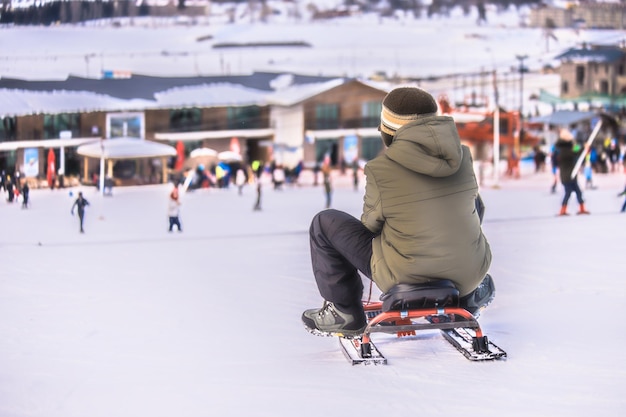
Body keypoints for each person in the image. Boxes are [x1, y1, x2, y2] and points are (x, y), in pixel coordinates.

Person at [302, 87, 493, 337]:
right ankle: (468, 295)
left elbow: (370, 225)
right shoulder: (463, 158)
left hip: (402, 274)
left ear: (389, 129)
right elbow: (474, 209)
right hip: (469, 274)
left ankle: (344, 312)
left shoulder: (381, 168)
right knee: (469, 204)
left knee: (324, 223)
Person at [555, 128, 590, 216]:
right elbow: (574, 152)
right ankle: (563, 210)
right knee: (568, 193)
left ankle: (581, 208)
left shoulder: (569, 146)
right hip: (567, 175)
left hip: (571, 174)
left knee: (578, 192)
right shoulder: (563, 148)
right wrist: (581, 148)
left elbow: (577, 151)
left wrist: (584, 148)